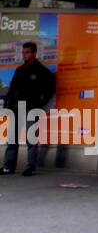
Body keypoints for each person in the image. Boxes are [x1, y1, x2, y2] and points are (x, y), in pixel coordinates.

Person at [3, 42, 56, 176]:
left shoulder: (42, 71)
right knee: (12, 138)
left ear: (34, 53)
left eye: (27, 52)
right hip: (16, 108)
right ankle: (8, 166)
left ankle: (30, 167)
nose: (24, 55)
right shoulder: (20, 70)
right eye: (23, 52)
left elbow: (51, 89)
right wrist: (7, 105)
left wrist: (40, 103)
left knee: (30, 138)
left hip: (31, 108)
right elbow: (12, 89)